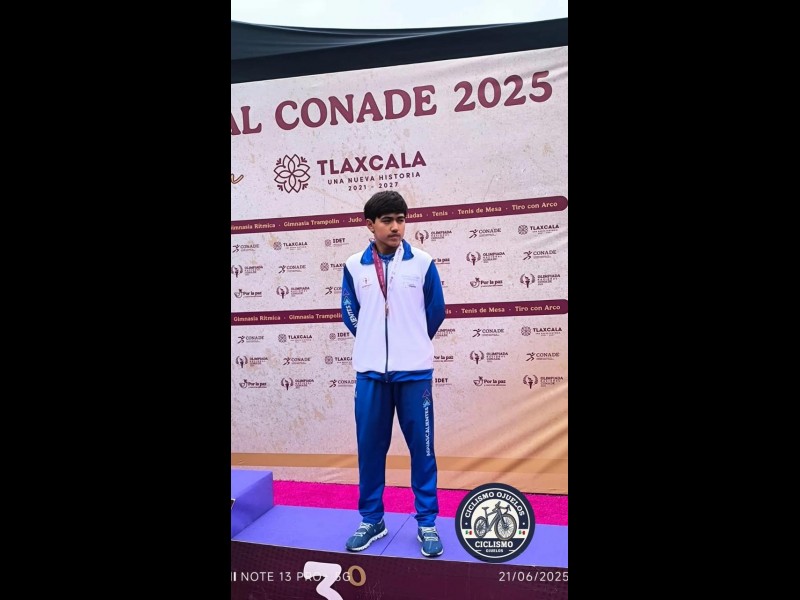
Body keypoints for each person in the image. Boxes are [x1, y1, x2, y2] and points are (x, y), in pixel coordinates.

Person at [340, 191, 446, 557]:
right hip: (370, 375)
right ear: (370, 225)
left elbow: (435, 311)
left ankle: (427, 522)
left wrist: (410, 343)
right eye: (387, 220)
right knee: (370, 451)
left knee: (423, 451)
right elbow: (349, 311)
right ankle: (372, 520)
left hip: (414, 375)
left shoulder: (423, 262)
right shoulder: (354, 265)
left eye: (401, 219)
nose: (396, 227)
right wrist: (372, 341)